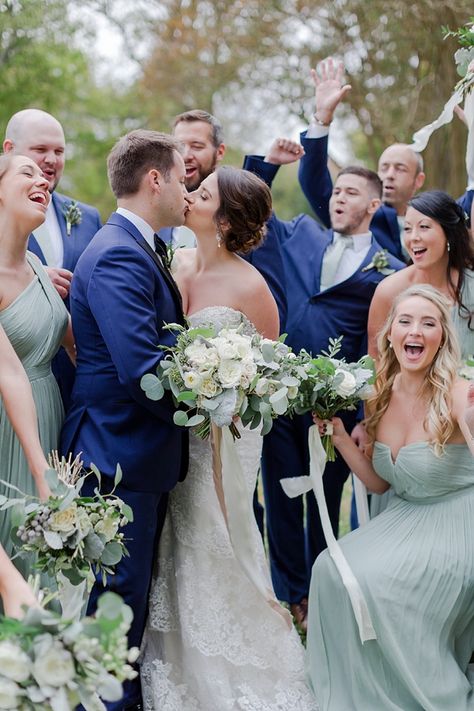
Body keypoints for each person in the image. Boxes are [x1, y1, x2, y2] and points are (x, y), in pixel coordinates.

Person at [140, 166, 317, 710]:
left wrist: (228, 387)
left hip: (227, 438)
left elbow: (271, 374)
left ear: (225, 218)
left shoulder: (252, 286)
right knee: (175, 543)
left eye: (203, 193)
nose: (189, 195)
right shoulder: (174, 262)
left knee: (219, 537)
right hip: (174, 436)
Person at [243, 140, 404, 632]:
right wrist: (266, 167)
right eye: (335, 191)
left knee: (324, 499)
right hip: (281, 397)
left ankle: (326, 589)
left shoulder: (389, 269)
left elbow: (380, 350)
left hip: (337, 411)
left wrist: (364, 418)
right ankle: (291, 594)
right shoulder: (296, 235)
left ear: (373, 206)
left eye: (351, 193)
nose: (338, 199)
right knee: (282, 496)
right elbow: (251, 210)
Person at [60, 130, 191, 710]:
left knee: (127, 605)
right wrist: (206, 408)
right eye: (184, 175)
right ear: (155, 179)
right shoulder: (117, 252)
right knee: (116, 609)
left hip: (133, 456)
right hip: (116, 458)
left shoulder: (137, 245)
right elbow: (141, 368)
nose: (189, 187)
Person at [307, 284, 474, 710]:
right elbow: (381, 484)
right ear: (391, 334)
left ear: (441, 337)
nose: (414, 331)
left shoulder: (458, 392)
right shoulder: (380, 390)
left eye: (428, 323)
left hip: (456, 519)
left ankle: (432, 695)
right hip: (404, 516)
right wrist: (343, 439)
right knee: (331, 569)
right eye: (405, 321)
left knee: (384, 584)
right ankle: (361, 692)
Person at [0, 153, 70, 578]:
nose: (42, 178)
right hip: (10, 427)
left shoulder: (38, 268)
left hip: (50, 417)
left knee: (48, 559)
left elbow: (79, 348)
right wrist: (39, 468)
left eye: (45, 177)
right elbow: (8, 373)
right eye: (26, 172)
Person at [3, 109, 102, 405]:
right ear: (9, 150)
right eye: (40, 150)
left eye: (59, 151)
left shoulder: (88, 217)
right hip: (12, 380)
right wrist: (30, 279)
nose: (51, 160)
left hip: (74, 386)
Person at [160, 109, 288, 331]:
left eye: (197, 146)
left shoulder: (252, 285)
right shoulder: (169, 259)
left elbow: (269, 356)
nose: (186, 154)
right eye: (179, 147)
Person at [368, 190, 474, 359]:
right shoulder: (388, 291)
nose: (413, 237)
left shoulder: (471, 287)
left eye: (424, 227)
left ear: (448, 234)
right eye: (408, 229)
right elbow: (377, 360)